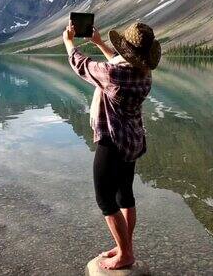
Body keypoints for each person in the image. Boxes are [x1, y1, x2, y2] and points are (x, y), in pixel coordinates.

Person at [62, 21, 161, 270]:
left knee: (105, 199)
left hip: (112, 142)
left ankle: (125, 254)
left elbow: (82, 65)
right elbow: (121, 61)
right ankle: (125, 245)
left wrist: (69, 42)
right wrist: (99, 43)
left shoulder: (113, 75)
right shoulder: (145, 74)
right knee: (124, 195)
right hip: (133, 140)